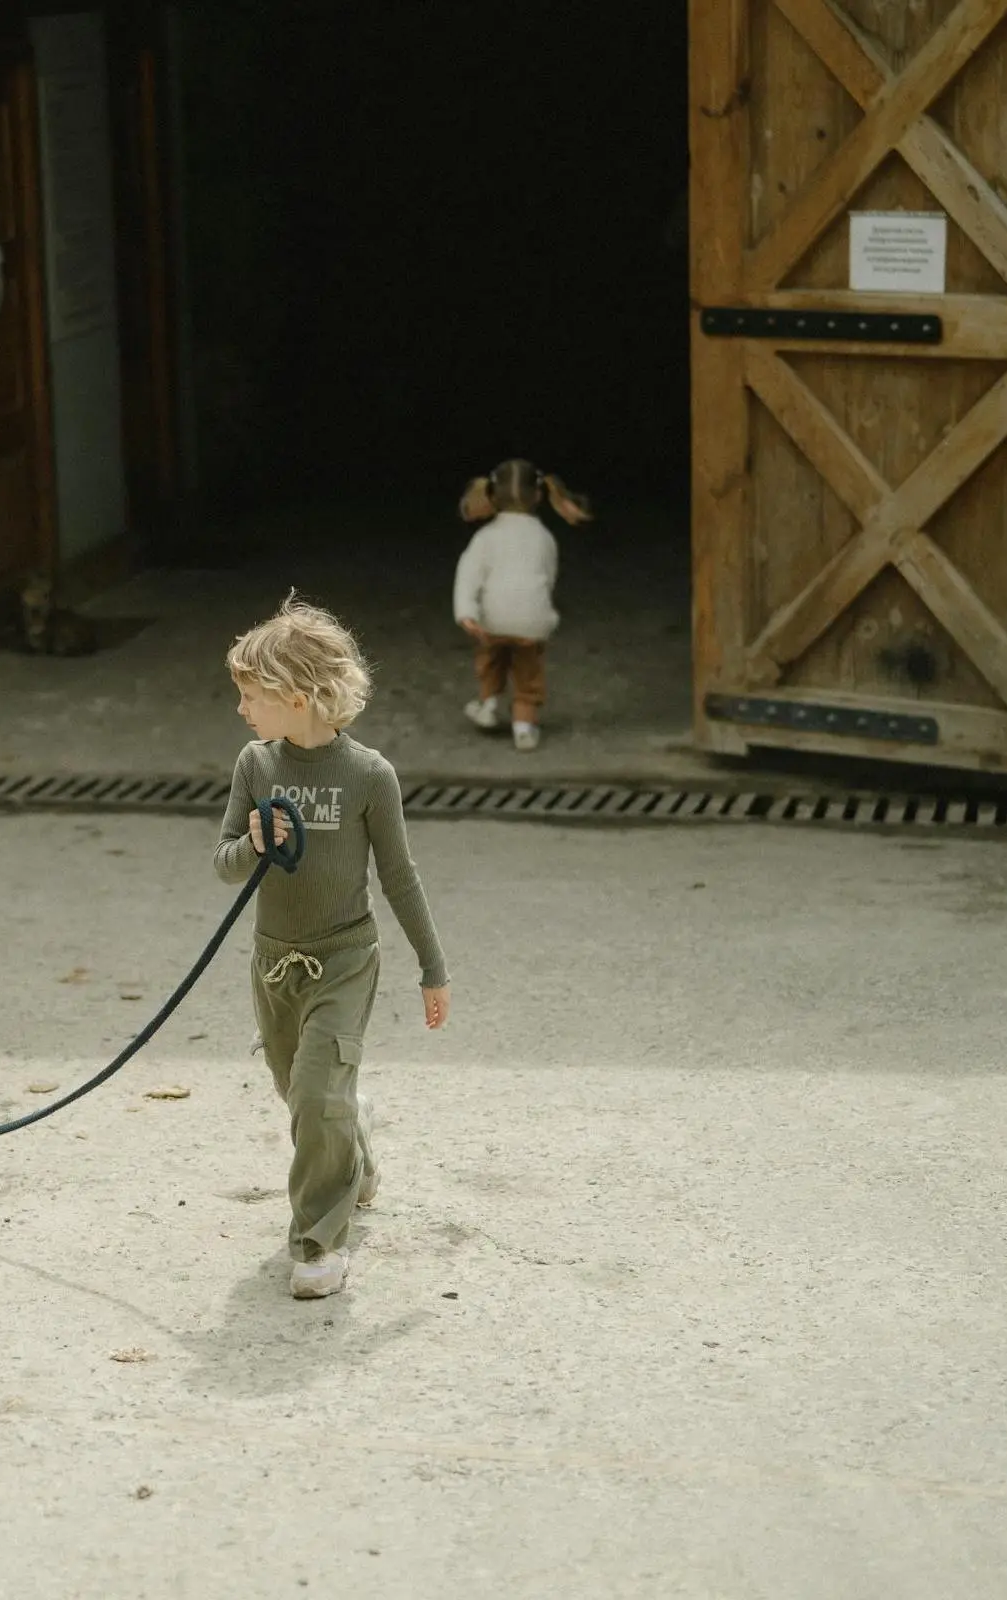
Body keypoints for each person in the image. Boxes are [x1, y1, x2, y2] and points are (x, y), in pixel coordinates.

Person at [215, 596, 450, 1299]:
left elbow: (399, 878)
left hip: (345, 960)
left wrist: (432, 970)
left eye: (250, 696)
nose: (241, 709)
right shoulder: (255, 766)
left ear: (297, 697)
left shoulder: (368, 775)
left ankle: (318, 1241)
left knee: (317, 1097)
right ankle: (355, 1142)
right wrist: (253, 841)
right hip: (273, 962)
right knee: (304, 1097)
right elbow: (223, 861)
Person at [454, 458, 594, 751]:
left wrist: (467, 612)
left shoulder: (486, 537)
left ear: (491, 494)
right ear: (540, 495)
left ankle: (488, 705)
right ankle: (525, 728)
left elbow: (468, 575)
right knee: (528, 672)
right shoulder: (544, 538)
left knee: (491, 660)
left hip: (493, 618)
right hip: (533, 620)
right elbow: (548, 577)